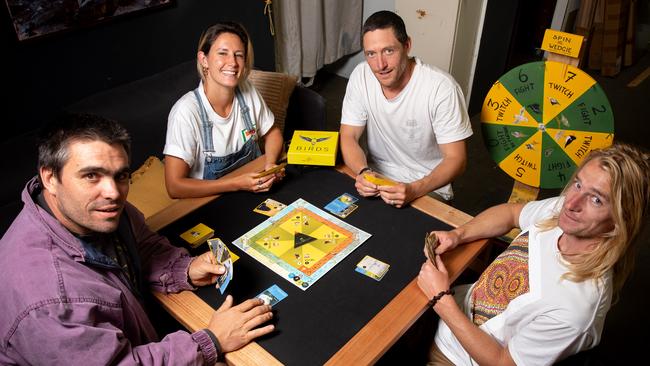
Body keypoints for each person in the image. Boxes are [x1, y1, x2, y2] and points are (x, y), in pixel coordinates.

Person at [0, 113, 274, 365]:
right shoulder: (50, 302)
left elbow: (140, 246)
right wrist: (211, 341)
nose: (113, 192)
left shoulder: (93, 210)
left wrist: (185, 270)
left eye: (121, 176)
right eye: (91, 175)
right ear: (49, 177)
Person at [417, 143, 650, 365]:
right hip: (451, 306)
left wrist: (441, 299)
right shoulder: (563, 213)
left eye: (596, 199)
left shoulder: (577, 308)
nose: (571, 203)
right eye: (578, 184)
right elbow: (511, 214)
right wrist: (459, 234)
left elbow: (502, 362)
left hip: (455, 357)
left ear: (621, 221)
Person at [339, 10, 473, 208]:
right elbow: (348, 135)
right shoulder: (361, 75)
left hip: (425, 185)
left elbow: (457, 159)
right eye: (371, 54)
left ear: (407, 45)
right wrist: (362, 172)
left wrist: (415, 189)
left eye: (389, 51)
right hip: (376, 175)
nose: (380, 65)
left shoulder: (441, 88)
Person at [164, 21, 284, 198]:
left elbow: (272, 133)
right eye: (223, 53)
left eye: (239, 55)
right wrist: (236, 184)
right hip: (209, 202)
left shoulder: (247, 90)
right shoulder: (185, 111)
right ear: (204, 60)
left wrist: (270, 163)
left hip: (253, 191)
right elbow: (174, 187)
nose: (233, 63)